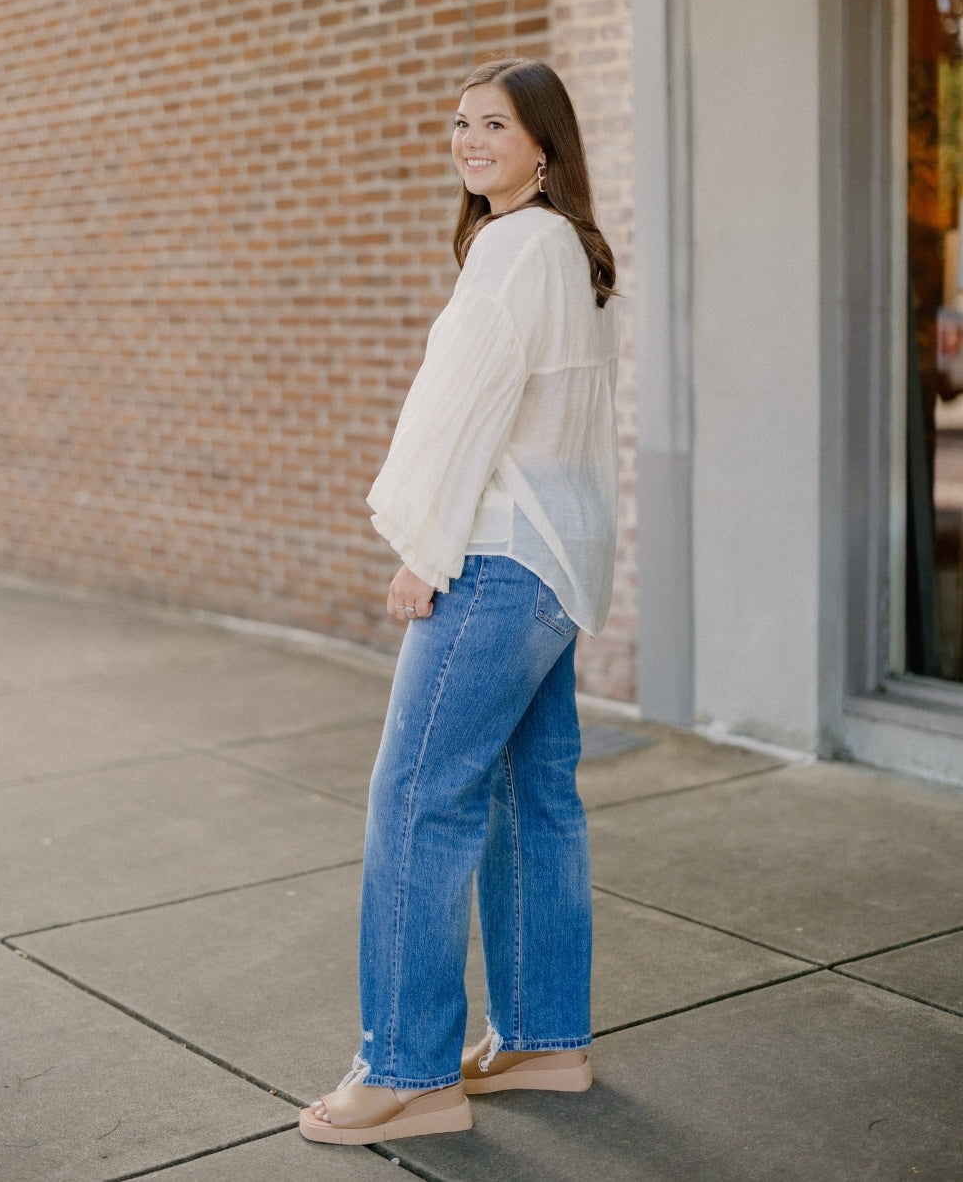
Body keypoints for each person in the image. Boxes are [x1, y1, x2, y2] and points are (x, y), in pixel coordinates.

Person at [299, 56, 620, 1146]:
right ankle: (541, 1040)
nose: (468, 139)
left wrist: (426, 552)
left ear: (543, 144)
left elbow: (461, 410)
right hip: (556, 565)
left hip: (494, 559)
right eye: (459, 123)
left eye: (494, 123)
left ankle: (407, 1070)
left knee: (418, 801)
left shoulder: (510, 247)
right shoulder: (566, 251)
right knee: (531, 801)